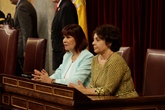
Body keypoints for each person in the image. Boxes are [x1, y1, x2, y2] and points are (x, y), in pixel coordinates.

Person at [69, 24, 139, 98]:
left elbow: (108, 90)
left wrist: (84, 91)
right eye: (93, 40)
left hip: (125, 102)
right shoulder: (95, 59)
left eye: (97, 40)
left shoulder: (115, 60)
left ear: (109, 43)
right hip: (104, 100)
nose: (93, 43)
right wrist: (82, 90)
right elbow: (93, 85)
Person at [10, 0, 38, 76]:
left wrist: (26, 49)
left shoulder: (22, 7)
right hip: (26, 47)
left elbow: (26, 30)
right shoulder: (25, 4)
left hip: (23, 50)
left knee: (25, 76)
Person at [51, 0, 78, 70]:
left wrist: (66, 54)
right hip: (60, 53)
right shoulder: (61, 6)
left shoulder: (66, 7)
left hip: (64, 54)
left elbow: (68, 33)